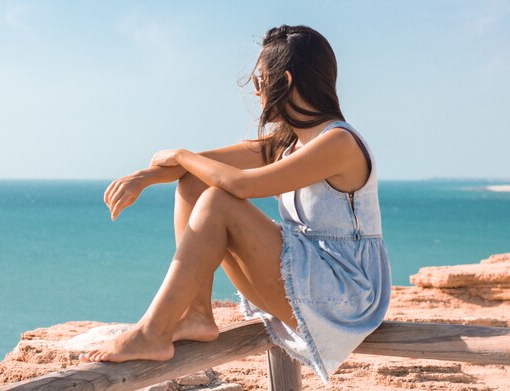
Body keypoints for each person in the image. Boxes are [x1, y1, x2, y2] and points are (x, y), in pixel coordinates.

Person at [79, 24, 392, 384]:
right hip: (308, 279)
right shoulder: (288, 143)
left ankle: (152, 331)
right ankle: (196, 313)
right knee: (197, 181)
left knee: (218, 199)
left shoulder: (338, 143)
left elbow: (239, 185)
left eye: (260, 82)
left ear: (285, 81)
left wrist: (180, 154)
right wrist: (145, 177)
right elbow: (197, 167)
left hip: (347, 298)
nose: (257, 93)